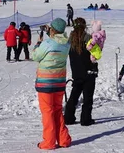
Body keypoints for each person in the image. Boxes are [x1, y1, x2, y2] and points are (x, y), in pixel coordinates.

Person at [32, 18, 71, 150]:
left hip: (45, 83)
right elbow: (57, 40)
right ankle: (63, 139)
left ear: (53, 30)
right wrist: (50, 32)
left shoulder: (47, 43)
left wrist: (38, 45)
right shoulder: (66, 43)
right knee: (57, 110)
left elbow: (35, 56)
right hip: (59, 83)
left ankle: (49, 141)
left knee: (47, 112)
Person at [64, 18, 98, 126]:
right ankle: (85, 119)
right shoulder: (88, 38)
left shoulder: (70, 39)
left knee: (74, 96)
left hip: (77, 72)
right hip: (88, 71)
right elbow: (96, 53)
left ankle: (68, 118)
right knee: (87, 97)